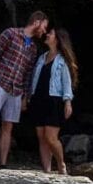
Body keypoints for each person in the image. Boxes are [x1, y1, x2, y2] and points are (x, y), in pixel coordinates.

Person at [0, 11, 48, 166]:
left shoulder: (33, 48)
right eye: (44, 26)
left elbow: (28, 74)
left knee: (8, 126)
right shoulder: (10, 34)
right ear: (37, 21)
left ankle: (2, 163)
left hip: (16, 90)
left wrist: (25, 97)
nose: (44, 30)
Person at [28, 27, 78, 174]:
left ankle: (61, 164)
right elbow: (34, 80)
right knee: (41, 138)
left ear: (57, 39)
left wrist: (68, 102)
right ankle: (47, 172)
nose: (47, 35)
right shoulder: (41, 58)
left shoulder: (62, 60)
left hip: (54, 101)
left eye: (50, 33)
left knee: (51, 138)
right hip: (38, 100)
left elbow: (66, 82)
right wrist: (28, 96)